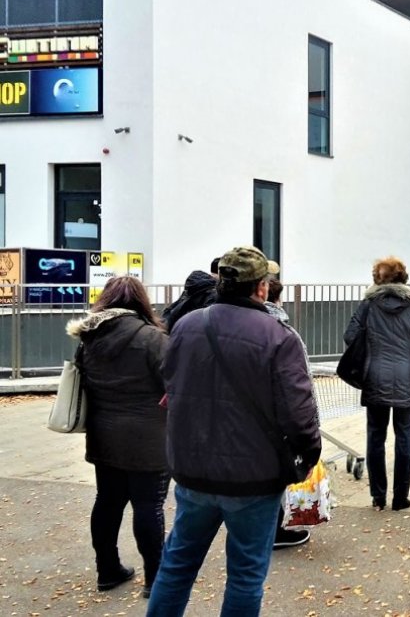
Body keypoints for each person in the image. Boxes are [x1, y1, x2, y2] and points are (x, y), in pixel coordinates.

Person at [147, 246, 321, 616]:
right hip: (253, 477)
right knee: (245, 576)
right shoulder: (279, 336)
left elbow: (170, 383)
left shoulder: (187, 326)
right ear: (261, 288)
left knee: (177, 566)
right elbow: (298, 410)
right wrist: (309, 453)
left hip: (193, 470)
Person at [66, 276, 169, 598]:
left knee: (107, 502)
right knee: (148, 505)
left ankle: (107, 569)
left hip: (103, 436)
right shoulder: (153, 339)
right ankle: (155, 579)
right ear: (141, 301)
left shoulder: (88, 339)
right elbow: (174, 383)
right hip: (148, 438)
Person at [343, 257, 410, 511]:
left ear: (377, 279)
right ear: (403, 278)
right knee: (404, 438)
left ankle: (378, 496)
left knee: (375, 436)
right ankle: (400, 497)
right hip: (407, 377)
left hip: (375, 379)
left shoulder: (369, 305)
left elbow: (350, 336)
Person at [263, 276, 318, 550]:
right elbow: (298, 390)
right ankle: (273, 530)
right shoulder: (282, 335)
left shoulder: (198, 325)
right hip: (269, 428)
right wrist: (310, 444)